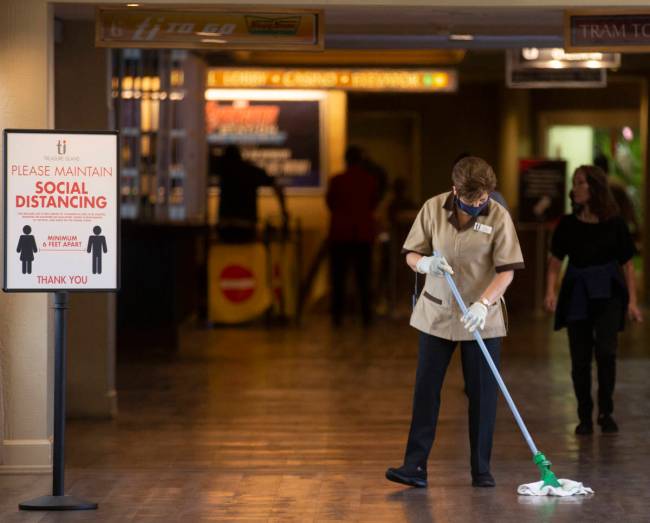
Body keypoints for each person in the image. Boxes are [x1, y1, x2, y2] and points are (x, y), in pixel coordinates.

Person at [386, 157, 524, 488]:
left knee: (482, 395)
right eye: (470, 200)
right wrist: (424, 265)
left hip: (481, 319)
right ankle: (414, 466)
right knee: (426, 391)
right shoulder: (433, 209)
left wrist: (483, 302)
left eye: (482, 200)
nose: (477, 206)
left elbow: (507, 270)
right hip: (437, 314)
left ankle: (481, 470)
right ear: (455, 191)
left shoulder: (498, 216)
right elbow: (411, 252)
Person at [544, 165, 642, 436]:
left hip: (608, 292)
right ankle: (584, 415)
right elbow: (554, 262)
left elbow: (628, 265)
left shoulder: (615, 224)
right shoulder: (567, 225)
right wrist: (550, 291)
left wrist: (632, 302)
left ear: (594, 188)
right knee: (579, 358)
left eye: (580, 183)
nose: (573, 189)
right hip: (577, 292)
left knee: (607, 352)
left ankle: (606, 411)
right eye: (574, 183)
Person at [326, 145, 379, 326]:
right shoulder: (369, 180)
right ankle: (366, 317)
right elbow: (373, 203)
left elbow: (331, 203)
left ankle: (337, 317)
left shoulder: (336, 181)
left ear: (346, 160)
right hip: (363, 235)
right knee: (364, 278)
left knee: (338, 279)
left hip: (340, 234)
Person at [215, 145, 287, 243]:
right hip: (246, 228)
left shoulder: (223, 170)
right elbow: (276, 186)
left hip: (224, 229)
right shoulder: (251, 171)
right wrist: (283, 211)